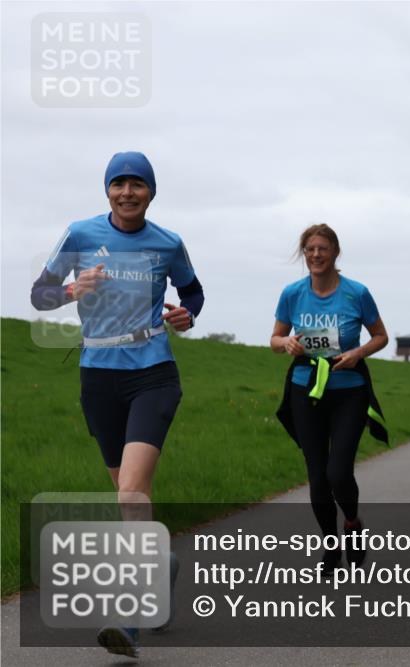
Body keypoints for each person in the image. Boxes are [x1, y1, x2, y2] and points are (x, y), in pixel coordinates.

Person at [31, 151, 205, 658]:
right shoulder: (79, 234)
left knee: (130, 494)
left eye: (137, 184)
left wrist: (186, 315)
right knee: (132, 498)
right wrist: (71, 289)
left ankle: (129, 619)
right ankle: (162, 566)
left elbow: (193, 293)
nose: (128, 192)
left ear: (151, 191)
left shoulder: (168, 242)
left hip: (153, 373)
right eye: (119, 184)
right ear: (107, 190)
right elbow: (40, 295)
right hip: (98, 377)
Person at [272, 224, 389, 575]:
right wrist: (287, 343)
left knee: (338, 472)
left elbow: (380, 336)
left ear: (336, 252)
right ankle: (331, 545)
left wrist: (357, 353)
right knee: (318, 477)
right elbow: (275, 339)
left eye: (323, 248)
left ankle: (352, 522)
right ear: (304, 254)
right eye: (310, 249)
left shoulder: (356, 293)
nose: (316, 255)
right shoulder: (292, 293)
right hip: (305, 389)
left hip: (349, 390)